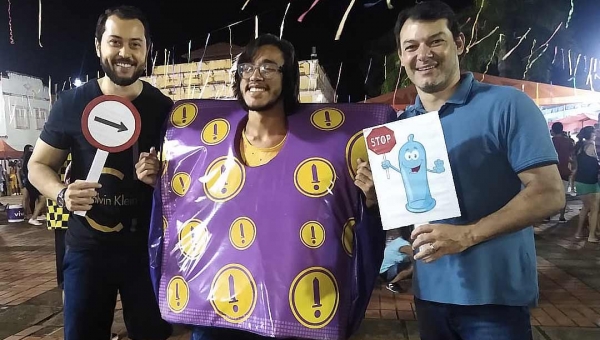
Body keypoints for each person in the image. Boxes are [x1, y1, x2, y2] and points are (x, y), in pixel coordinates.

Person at [137, 34, 387, 340]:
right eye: (247, 68)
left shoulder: (330, 148)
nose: (255, 76)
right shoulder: (200, 145)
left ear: (289, 78)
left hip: (292, 314)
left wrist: (371, 198)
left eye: (269, 68)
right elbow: (189, 208)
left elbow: (354, 218)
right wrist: (159, 182)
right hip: (218, 317)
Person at [391, 1, 565, 339]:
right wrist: (376, 195)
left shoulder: (507, 105)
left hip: (495, 301)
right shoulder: (402, 128)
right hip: (429, 297)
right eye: (411, 46)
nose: (423, 54)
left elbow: (549, 193)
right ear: (401, 57)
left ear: (459, 43)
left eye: (435, 41)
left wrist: (467, 235)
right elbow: (409, 217)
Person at [28, 6, 173, 340]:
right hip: (86, 250)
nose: (125, 53)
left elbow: (185, 179)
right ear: (98, 46)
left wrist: (161, 176)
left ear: (146, 49)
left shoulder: (164, 109)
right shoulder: (71, 102)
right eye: (115, 42)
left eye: (135, 44)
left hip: (146, 250)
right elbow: (38, 165)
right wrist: (62, 193)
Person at [572, 126, 600, 242]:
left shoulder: (579, 147)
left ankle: (578, 233)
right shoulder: (591, 145)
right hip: (590, 182)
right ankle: (592, 235)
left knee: (585, 207)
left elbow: (576, 167)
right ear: (592, 135)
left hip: (579, 181)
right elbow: (596, 163)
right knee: (595, 208)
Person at [550, 122, 574, 221]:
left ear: (553, 130)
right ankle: (562, 216)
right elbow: (571, 156)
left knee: (549, 193)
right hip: (564, 170)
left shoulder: (550, 141)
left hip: (551, 171)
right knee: (563, 193)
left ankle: (548, 215)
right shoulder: (568, 141)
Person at [22, 144, 46, 225]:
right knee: (42, 199)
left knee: (37, 199)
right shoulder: (32, 158)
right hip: (33, 182)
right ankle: (33, 217)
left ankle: (33, 216)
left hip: (30, 182)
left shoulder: (25, 160)